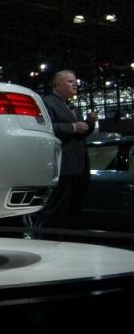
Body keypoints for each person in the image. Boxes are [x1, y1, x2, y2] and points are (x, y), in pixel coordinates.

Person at [37, 70, 98, 233]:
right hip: (63, 164)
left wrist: (89, 123)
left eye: (75, 81)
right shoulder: (47, 102)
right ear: (57, 84)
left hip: (79, 165)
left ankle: (72, 240)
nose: (75, 84)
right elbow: (46, 127)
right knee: (57, 208)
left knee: (75, 208)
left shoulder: (72, 107)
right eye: (70, 81)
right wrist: (72, 127)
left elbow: (81, 132)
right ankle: (51, 240)